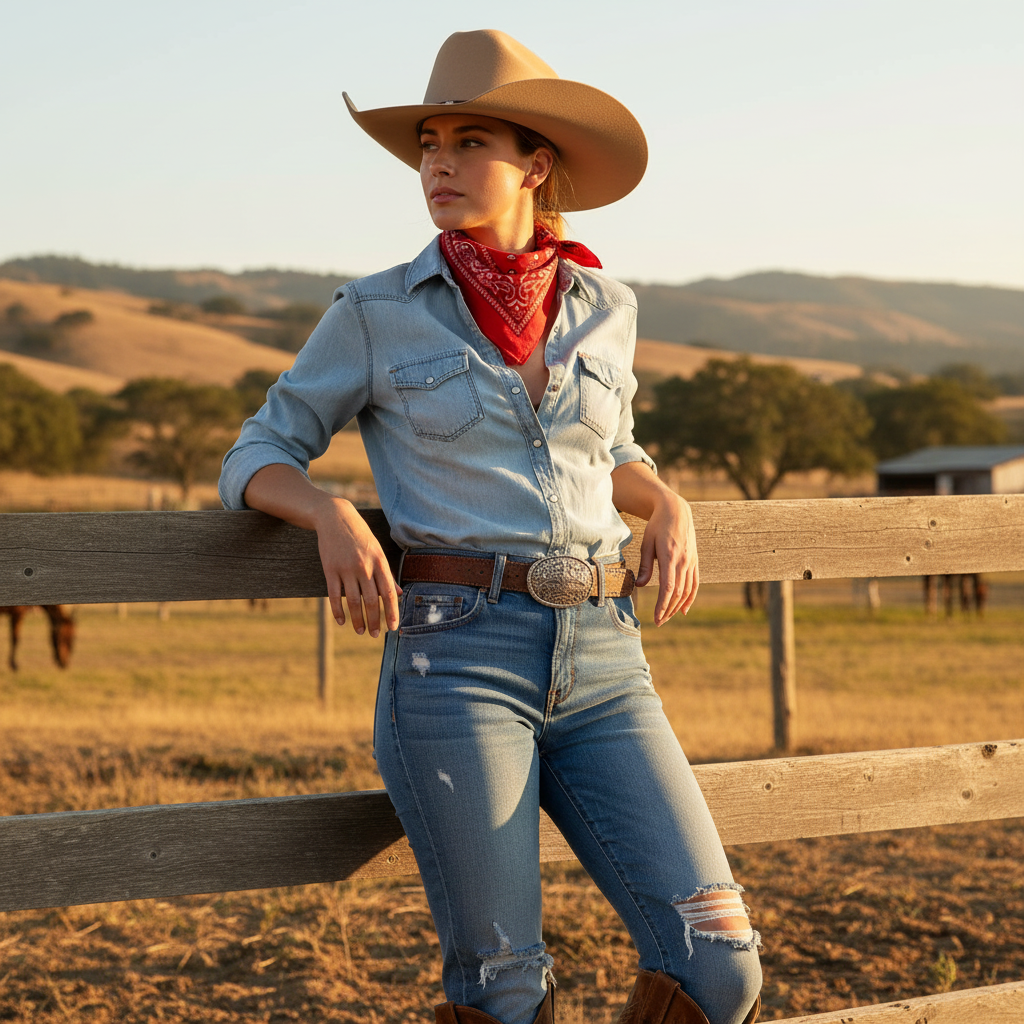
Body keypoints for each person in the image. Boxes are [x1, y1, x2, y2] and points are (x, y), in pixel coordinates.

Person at [220, 29, 762, 1024]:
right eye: (428, 143)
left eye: (469, 142)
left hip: (606, 661)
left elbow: (611, 453)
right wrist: (331, 511)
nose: (437, 163)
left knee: (721, 962)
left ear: (535, 165)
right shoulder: (378, 312)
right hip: (455, 662)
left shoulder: (605, 305)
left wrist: (669, 502)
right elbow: (255, 455)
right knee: (505, 989)